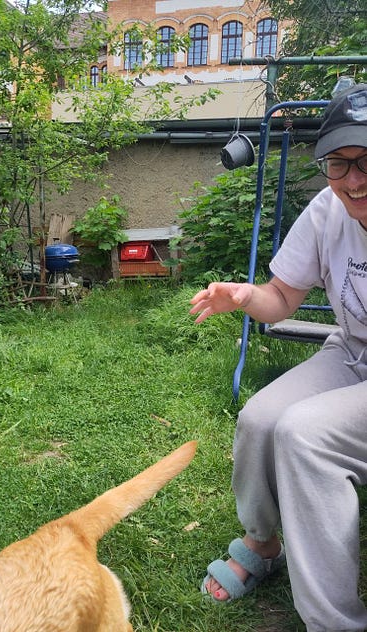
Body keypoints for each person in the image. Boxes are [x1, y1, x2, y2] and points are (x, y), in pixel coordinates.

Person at [189, 82, 367, 632]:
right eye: (339, 165)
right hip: (353, 352)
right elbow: (282, 298)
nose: (354, 180)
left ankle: (334, 622)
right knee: (261, 418)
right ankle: (263, 543)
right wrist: (245, 297)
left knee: (304, 433)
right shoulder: (326, 210)